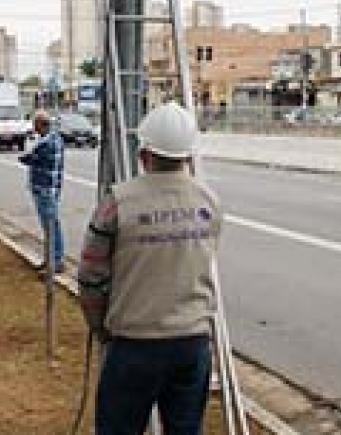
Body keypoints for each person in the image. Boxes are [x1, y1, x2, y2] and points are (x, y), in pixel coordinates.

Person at [77, 102, 223, 435]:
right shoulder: (209, 201)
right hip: (192, 343)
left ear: (144, 154)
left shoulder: (117, 204)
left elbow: (90, 277)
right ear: (187, 156)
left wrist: (100, 328)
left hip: (133, 343)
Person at [19, 109, 66, 274]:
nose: (34, 128)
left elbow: (29, 158)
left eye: (35, 124)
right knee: (50, 227)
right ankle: (51, 260)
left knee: (51, 227)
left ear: (41, 124)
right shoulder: (55, 138)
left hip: (45, 189)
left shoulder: (47, 142)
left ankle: (56, 261)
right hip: (50, 188)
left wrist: (25, 157)